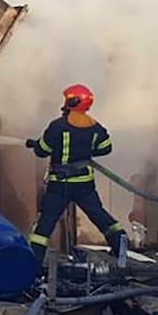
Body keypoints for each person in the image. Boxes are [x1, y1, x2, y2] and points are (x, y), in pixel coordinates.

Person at [25, 83, 128, 268]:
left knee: (45, 225)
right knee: (99, 215)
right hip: (85, 185)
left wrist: (36, 144)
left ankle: (33, 263)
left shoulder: (58, 126)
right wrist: (86, 151)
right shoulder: (95, 126)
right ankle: (120, 246)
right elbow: (106, 148)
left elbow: (42, 150)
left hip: (60, 186)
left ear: (71, 102)